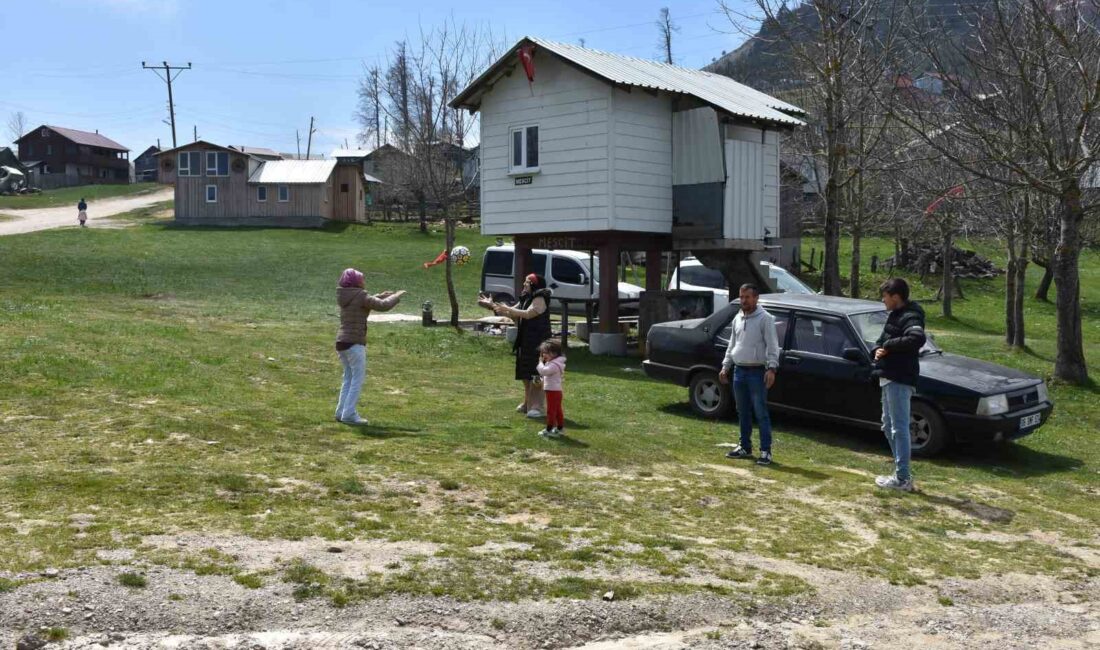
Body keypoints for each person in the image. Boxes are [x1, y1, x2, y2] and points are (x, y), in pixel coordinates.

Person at [872, 278, 926, 492]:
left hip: (900, 378)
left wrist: (888, 346)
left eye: (885, 296)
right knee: (887, 425)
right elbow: (881, 339)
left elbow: (917, 338)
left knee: (899, 427)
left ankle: (903, 478)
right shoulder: (895, 315)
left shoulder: (911, 315)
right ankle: (900, 472)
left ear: (895, 297)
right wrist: (877, 349)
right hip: (887, 376)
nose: (882, 300)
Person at [334, 268, 406, 425]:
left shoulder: (345, 295)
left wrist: (380, 296)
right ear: (356, 281)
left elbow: (368, 302)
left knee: (348, 378)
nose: (364, 281)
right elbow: (382, 306)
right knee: (356, 380)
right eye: (362, 279)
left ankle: (341, 412)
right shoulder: (360, 295)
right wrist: (395, 296)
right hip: (354, 342)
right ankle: (349, 414)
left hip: (342, 342)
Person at [719, 283, 780, 466]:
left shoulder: (765, 319)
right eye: (741, 297)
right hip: (739, 370)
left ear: (756, 298)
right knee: (742, 411)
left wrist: (771, 368)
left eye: (747, 297)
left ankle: (765, 451)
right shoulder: (738, 317)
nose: (743, 301)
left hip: (757, 371)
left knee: (760, 411)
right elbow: (732, 344)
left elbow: (772, 345)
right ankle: (744, 446)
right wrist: (725, 366)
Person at [487, 274, 553, 419]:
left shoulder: (540, 298)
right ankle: (527, 403)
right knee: (525, 373)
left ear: (534, 285)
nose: (524, 285)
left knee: (537, 375)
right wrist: (492, 304)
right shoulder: (526, 298)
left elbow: (528, 314)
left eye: (526, 283)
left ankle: (537, 407)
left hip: (539, 341)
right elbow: (511, 312)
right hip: (526, 340)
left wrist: (509, 309)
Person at [535, 339, 567, 438]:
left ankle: (549, 429)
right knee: (557, 410)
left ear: (554, 353)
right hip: (555, 391)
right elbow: (548, 375)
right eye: (543, 353)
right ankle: (560, 428)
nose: (544, 355)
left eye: (546, 353)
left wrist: (540, 363)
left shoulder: (554, 365)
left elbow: (544, 371)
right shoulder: (555, 362)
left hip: (553, 391)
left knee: (551, 410)